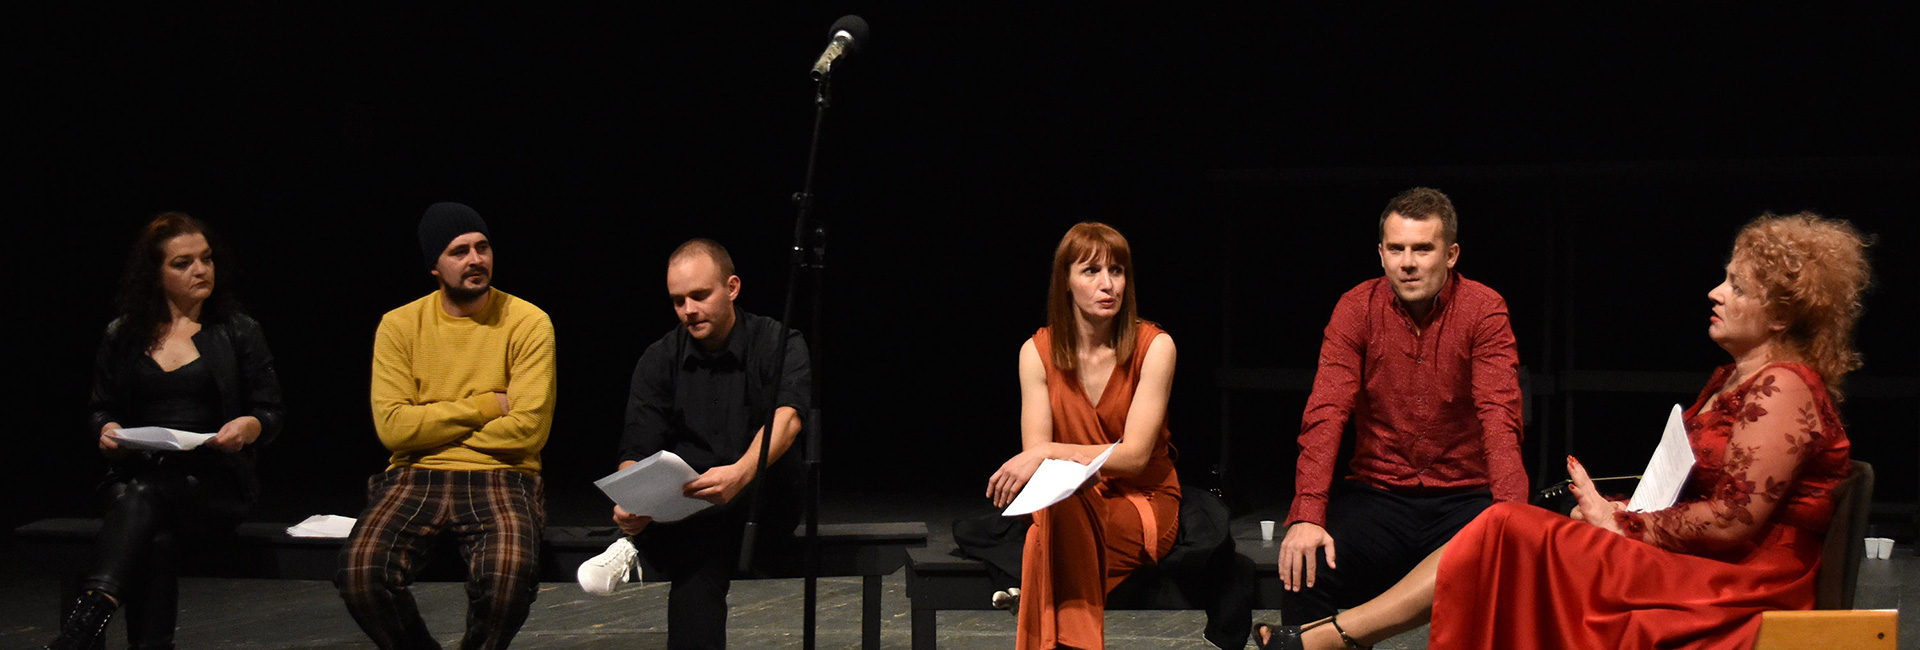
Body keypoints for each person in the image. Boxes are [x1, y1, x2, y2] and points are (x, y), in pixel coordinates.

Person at [1258, 213, 1869, 649]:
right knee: (1503, 531)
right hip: (1706, 559)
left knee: (1504, 525)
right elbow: (1327, 409)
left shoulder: (1784, 387)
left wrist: (1621, 523)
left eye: (1736, 286)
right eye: (1725, 279)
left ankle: (1329, 639)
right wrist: (1620, 510)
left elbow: (1734, 520)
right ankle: (1329, 637)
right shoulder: (1734, 379)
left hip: (1742, 581)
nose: (1716, 292)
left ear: (1781, 315)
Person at [1274, 187, 1528, 628]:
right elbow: (1326, 413)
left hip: (1464, 498)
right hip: (1379, 496)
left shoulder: (1483, 309)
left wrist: (1512, 516)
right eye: (1396, 249)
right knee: (1305, 565)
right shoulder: (1357, 307)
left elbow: (1499, 417)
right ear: (1381, 254)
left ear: (1451, 255)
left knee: (1514, 567)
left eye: (1422, 249)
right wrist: (1307, 515)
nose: (1408, 262)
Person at [46, 212, 285, 650]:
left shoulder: (238, 331)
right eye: (183, 263)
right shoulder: (123, 334)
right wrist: (108, 430)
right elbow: (101, 409)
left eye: (206, 259)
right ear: (155, 274)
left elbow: (269, 411)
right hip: (139, 476)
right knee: (154, 534)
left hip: (214, 482)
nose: (201, 269)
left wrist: (248, 426)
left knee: (146, 497)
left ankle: (87, 621)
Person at [335, 202, 557, 650]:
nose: (475, 259)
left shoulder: (528, 322)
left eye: (482, 247)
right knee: (361, 572)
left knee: (508, 576)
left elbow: (528, 430)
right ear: (434, 266)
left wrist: (429, 423)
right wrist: (486, 404)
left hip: (502, 475)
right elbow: (394, 429)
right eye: (459, 251)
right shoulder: (399, 326)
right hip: (415, 475)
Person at [586, 238, 810, 650]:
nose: (688, 309)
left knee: (700, 541)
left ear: (732, 287)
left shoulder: (776, 341)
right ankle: (631, 537)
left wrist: (740, 473)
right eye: (678, 301)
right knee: (699, 552)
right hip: (693, 514)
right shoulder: (659, 358)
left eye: (699, 296)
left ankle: (629, 546)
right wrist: (630, 499)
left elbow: (789, 417)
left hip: (764, 503)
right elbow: (637, 445)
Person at [985, 222, 1181, 650]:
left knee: (1042, 544)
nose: (1108, 284)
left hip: (1139, 502)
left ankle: (1035, 601)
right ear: (1065, 282)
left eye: (1117, 271)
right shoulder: (1036, 353)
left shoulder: (1155, 347)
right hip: (1067, 500)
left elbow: (1133, 458)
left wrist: (1048, 450)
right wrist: (1044, 456)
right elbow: (1042, 469)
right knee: (1056, 520)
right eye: (1091, 271)